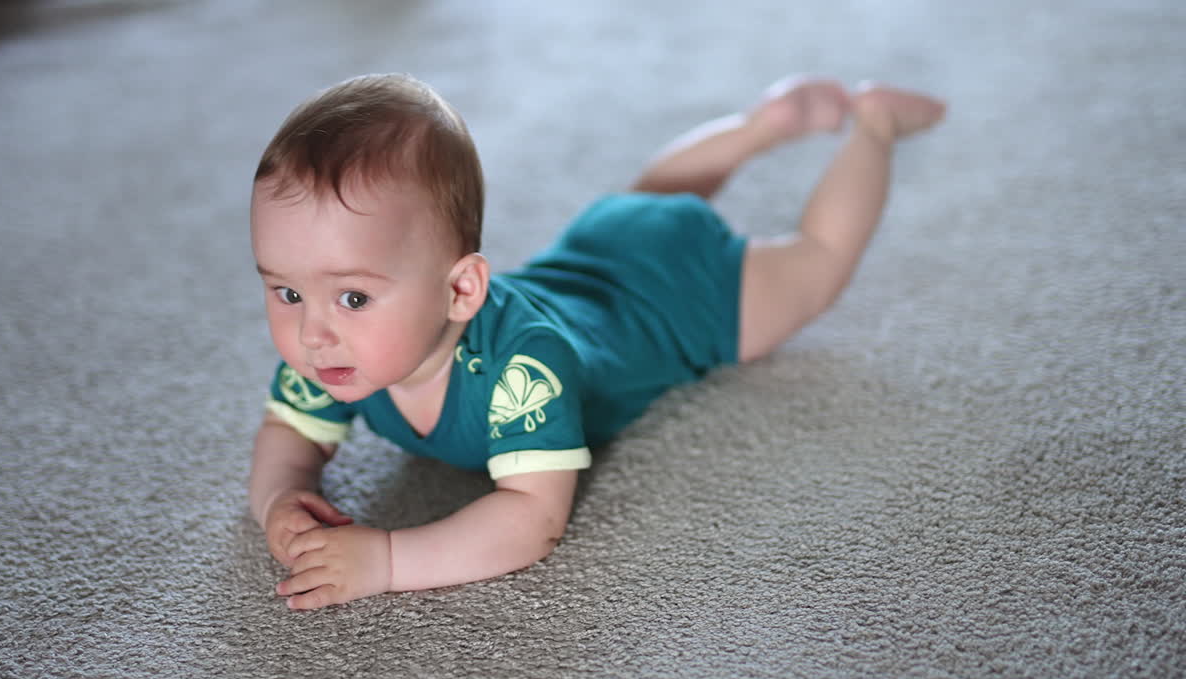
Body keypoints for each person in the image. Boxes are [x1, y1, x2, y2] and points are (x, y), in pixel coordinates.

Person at [248, 72, 945, 609]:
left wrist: (390, 561)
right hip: (603, 242)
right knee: (654, 197)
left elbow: (531, 517)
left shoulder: (524, 366)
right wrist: (282, 497)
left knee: (818, 260)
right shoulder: (332, 352)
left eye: (353, 297)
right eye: (286, 291)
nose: (312, 331)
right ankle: (760, 126)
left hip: (678, 301)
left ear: (461, 290)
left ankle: (873, 125)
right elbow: (289, 433)